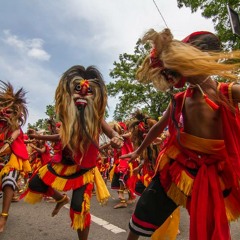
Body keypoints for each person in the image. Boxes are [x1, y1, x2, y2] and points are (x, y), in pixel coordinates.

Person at [121, 28, 240, 240]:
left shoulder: (228, 92)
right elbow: (158, 127)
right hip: (179, 168)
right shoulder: (179, 99)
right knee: (145, 209)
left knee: (209, 229)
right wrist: (138, 151)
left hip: (212, 174)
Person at [23, 65, 123, 240]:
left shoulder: (97, 118)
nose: (83, 93)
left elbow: (112, 133)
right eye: (78, 89)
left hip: (84, 170)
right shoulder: (67, 117)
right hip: (63, 163)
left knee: (79, 208)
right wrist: (38, 135)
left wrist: (116, 138)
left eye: (89, 90)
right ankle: (61, 199)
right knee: (35, 185)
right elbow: (59, 137)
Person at [0, 80, 31, 232]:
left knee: (8, 181)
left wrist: (7, 143)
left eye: (8, 111)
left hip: (11, 161)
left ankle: (3, 216)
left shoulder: (15, 128)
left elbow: (15, 134)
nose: (3, 113)